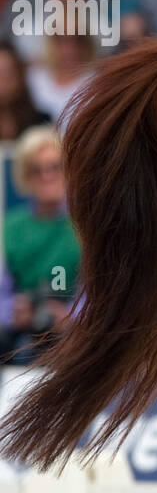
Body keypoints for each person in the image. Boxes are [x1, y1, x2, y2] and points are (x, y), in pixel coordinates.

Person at [0, 125, 81, 366]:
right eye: (37, 170)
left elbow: (99, 291)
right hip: (20, 334)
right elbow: (2, 289)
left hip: (76, 335)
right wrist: (13, 311)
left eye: (55, 167)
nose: (47, 176)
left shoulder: (86, 226)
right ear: (25, 176)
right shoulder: (11, 228)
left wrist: (71, 315)